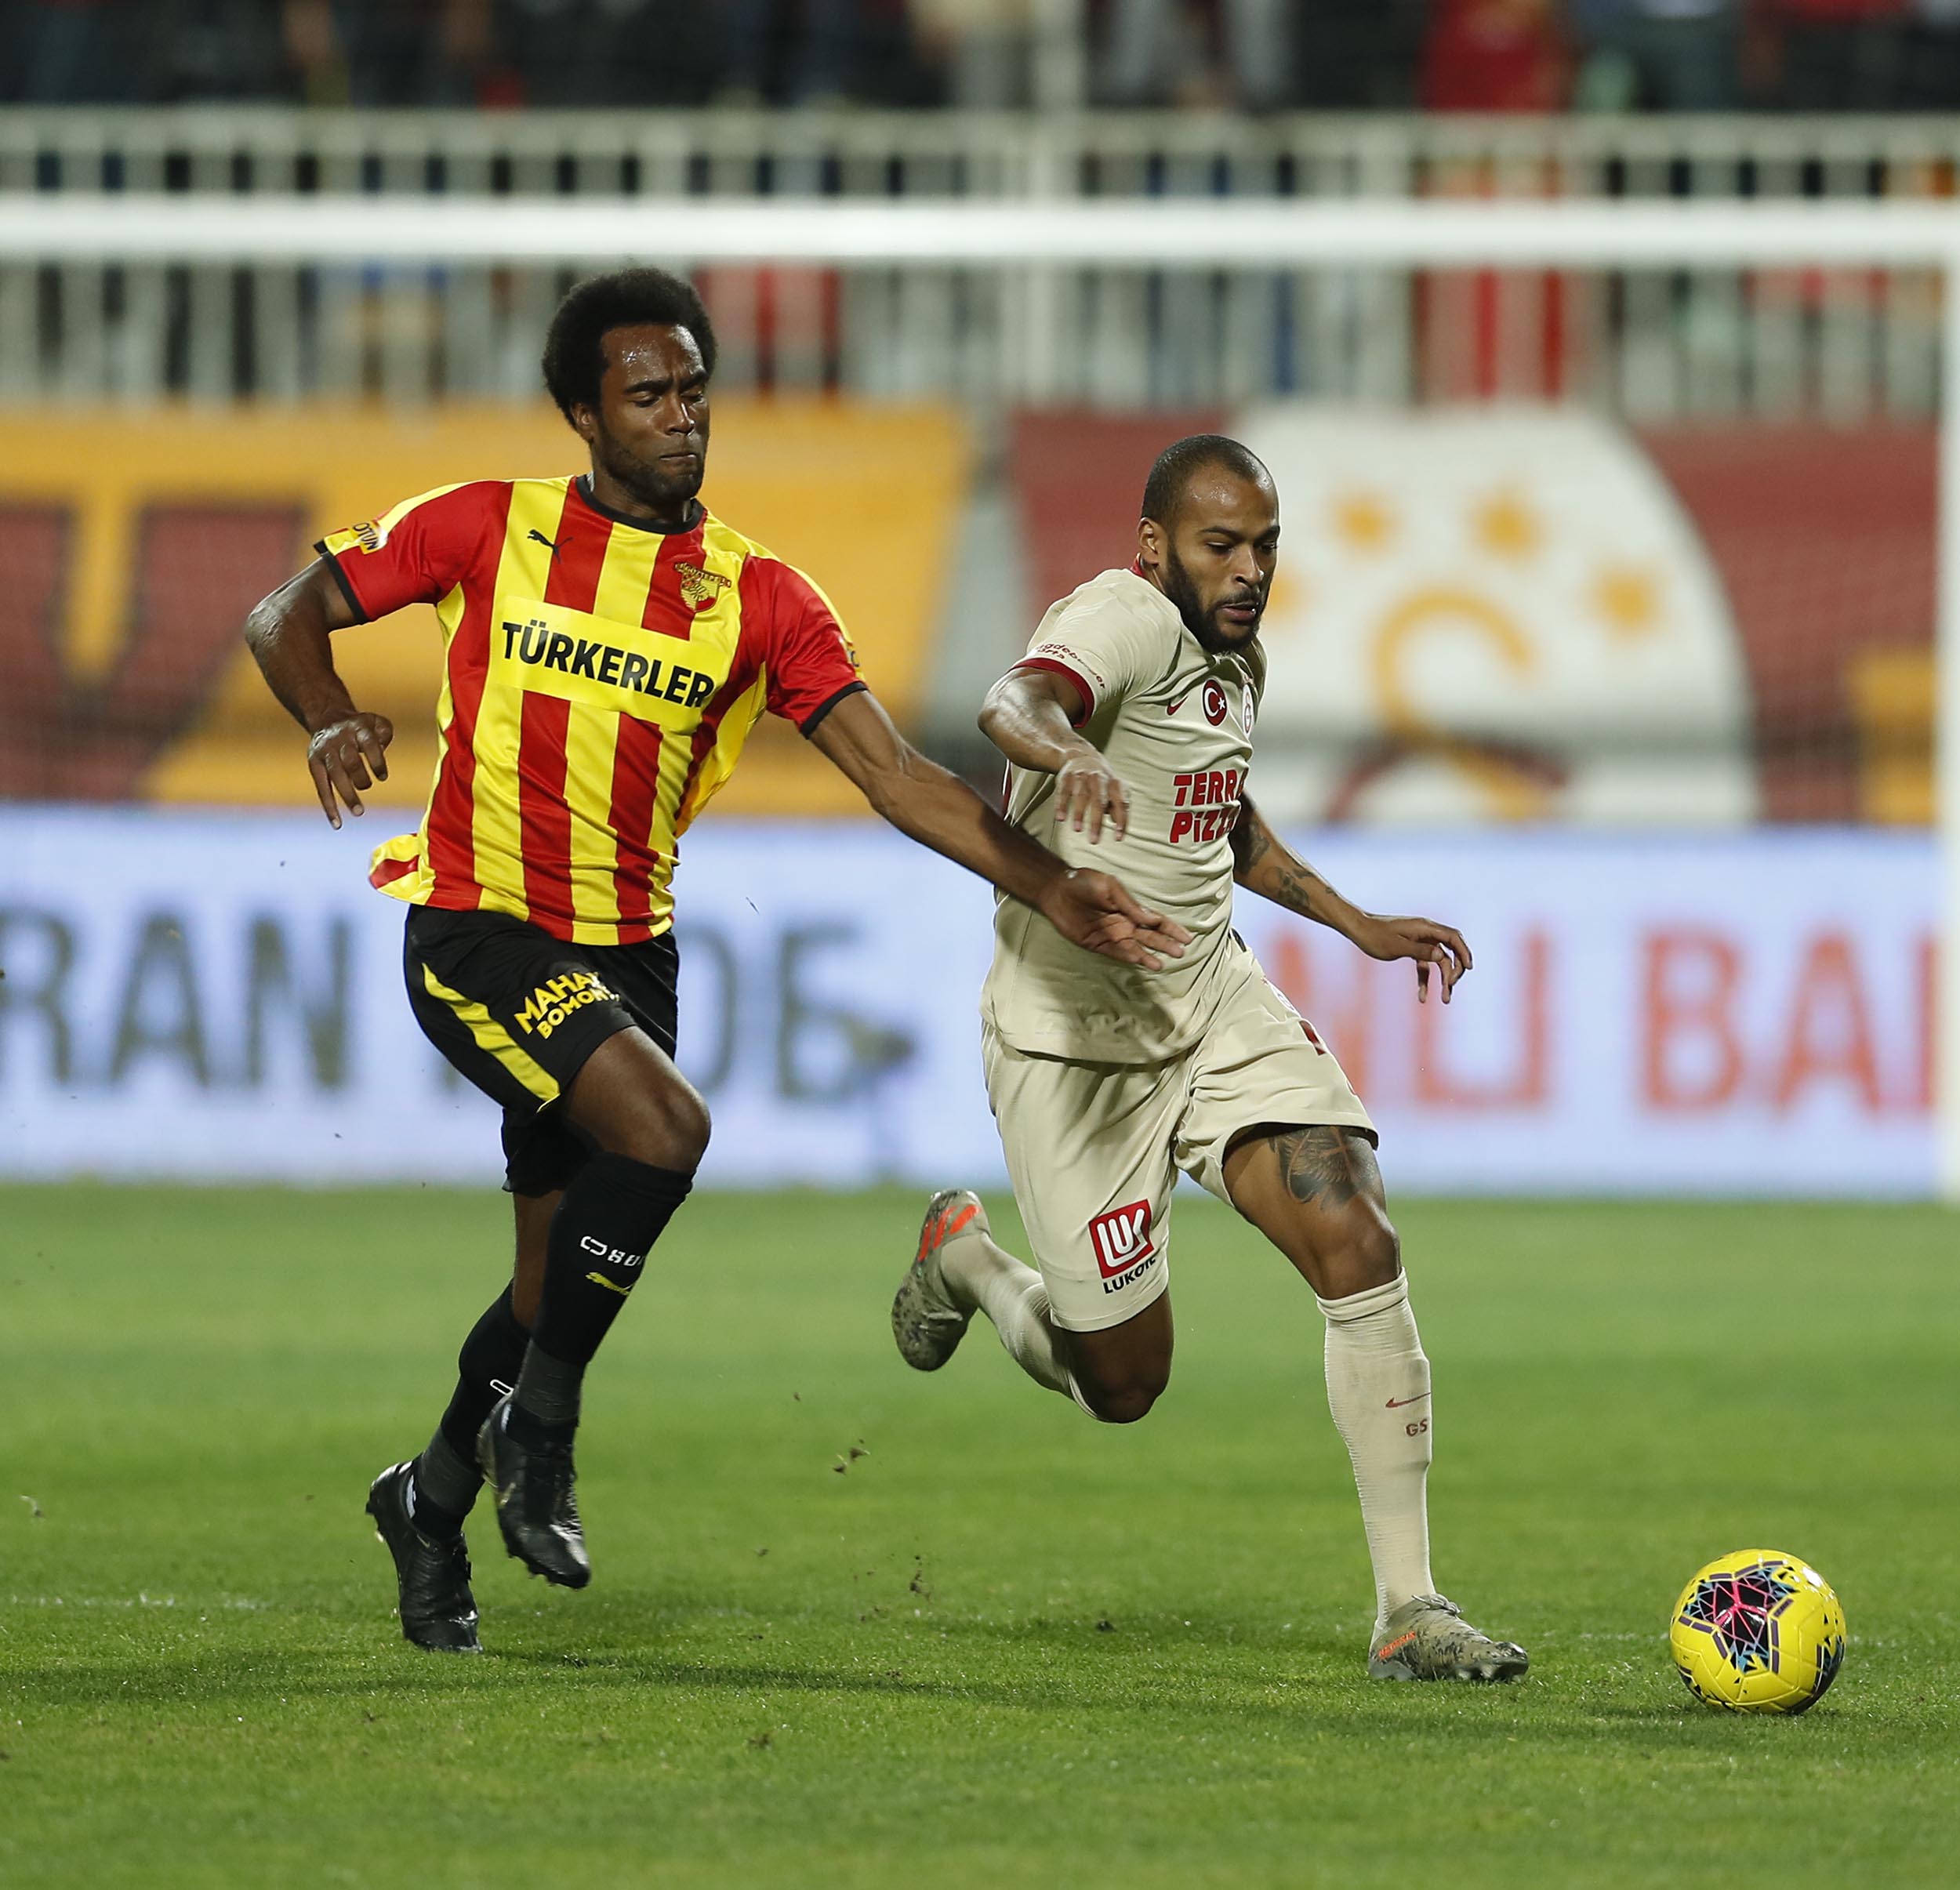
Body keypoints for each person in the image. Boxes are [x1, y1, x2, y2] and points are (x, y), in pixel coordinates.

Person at [241, 267, 1188, 1654]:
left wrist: (1052, 887)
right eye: (648, 395)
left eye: (693, 389)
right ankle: (541, 1436)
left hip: (631, 957)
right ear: (583, 413)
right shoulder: (485, 525)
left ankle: (429, 1500)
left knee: (544, 1288)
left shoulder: (759, 596)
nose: (681, 415)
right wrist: (328, 715)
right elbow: (284, 616)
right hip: (480, 926)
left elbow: (898, 776)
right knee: (668, 1129)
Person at [891, 435, 1529, 1683]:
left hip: (1207, 994)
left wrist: (1352, 920)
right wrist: (1070, 752)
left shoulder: (1238, 657)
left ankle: (1411, 1609)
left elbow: (1218, 815)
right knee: (1122, 1382)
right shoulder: (1119, 618)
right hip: (1073, 1041)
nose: (1248, 570)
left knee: (1354, 1227)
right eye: (1220, 545)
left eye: (1265, 546)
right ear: (1155, 547)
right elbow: (1013, 703)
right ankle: (966, 1259)